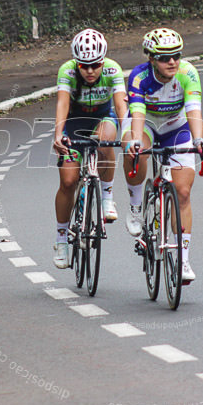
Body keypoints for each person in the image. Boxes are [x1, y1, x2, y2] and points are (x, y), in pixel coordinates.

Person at [121, 28, 203, 284]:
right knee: (135, 151)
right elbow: (136, 112)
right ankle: (136, 205)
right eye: (164, 57)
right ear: (151, 58)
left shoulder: (187, 73)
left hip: (175, 126)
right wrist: (135, 142)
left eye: (176, 55)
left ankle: (183, 260)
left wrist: (199, 139)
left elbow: (193, 108)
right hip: (146, 124)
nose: (172, 62)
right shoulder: (139, 76)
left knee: (182, 192)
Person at [52, 29, 127, 268]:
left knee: (105, 140)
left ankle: (107, 197)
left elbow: (121, 105)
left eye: (95, 65)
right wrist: (58, 135)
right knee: (68, 181)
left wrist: (129, 134)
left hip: (103, 119)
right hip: (73, 124)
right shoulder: (67, 71)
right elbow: (63, 102)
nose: (91, 70)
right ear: (77, 63)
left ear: (103, 61)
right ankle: (62, 239)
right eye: (85, 66)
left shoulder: (113, 70)